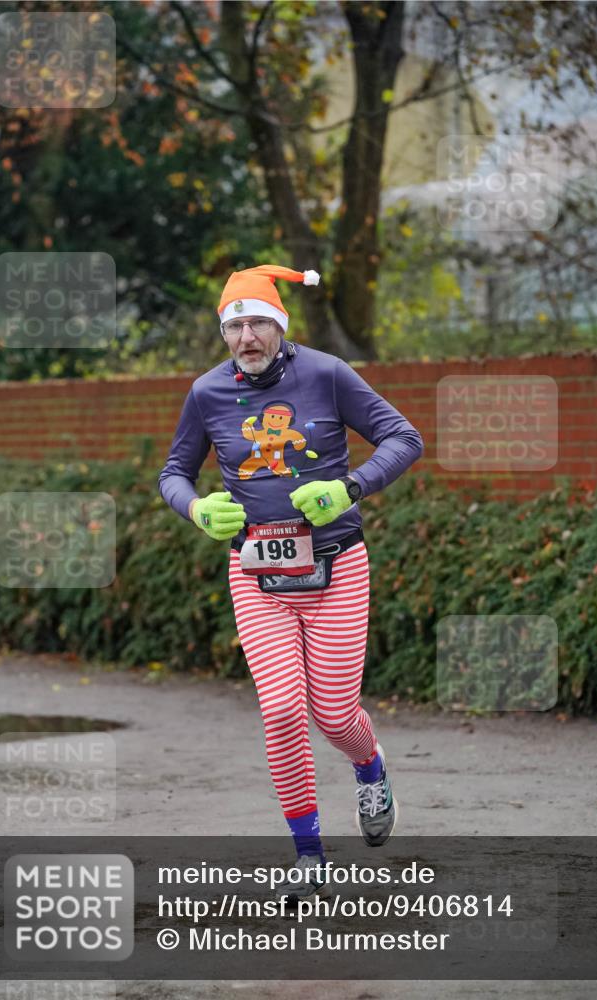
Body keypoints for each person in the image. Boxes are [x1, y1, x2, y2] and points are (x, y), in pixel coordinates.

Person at [158, 264, 424, 905]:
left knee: (333, 713)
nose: (246, 336)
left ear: (280, 325)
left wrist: (349, 487)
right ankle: (309, 854)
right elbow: (173, 472)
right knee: (280, 711)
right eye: (234, 325)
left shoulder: (327, 374)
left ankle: (370, 765)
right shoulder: (206, 393)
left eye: (258, 323)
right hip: (257, 572)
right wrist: (195, 508)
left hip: (336, 565)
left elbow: (403, 436)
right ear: (223, 332)